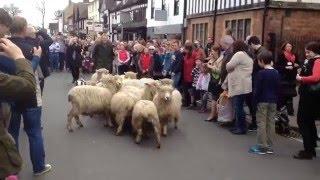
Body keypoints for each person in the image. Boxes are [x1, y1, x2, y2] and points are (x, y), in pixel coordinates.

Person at [249, 51, 280, 155]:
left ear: (261, 61)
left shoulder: (261, 73)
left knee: (261, 123)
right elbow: (278, 88)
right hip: (273, 101)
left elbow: (257, 89)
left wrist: (254, 102)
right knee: (271, 123)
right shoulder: (276, 73)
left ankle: (262, 146)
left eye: (258, 61)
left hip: (262, 100)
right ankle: (270, 146)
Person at [294, 42, 320, 160]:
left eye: (309, 52)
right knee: (308, 121)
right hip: (308, 95)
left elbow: (316, 77)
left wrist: (301, 78)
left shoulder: (318, 61)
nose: (306, 54)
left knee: (302, 121)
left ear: (315, 51)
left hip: (310, 96)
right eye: (306, 52)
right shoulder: (311, 61)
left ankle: (308, 150)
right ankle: (311, 148)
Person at [226, 41, 253, 135]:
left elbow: (229, 66)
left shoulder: (239, 54)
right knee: (239, 106)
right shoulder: (247, 55)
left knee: (238, 107)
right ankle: (239, 126)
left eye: (233, 46)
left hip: (239, 85)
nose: (232, 48)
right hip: (245, 85)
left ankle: (241, 128)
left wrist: (230, 68)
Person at [245, 36, 269, 131]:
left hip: (258, 81)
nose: (250, 48)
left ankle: (255, 123)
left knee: (254, 102)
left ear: (252, 44)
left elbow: (259, 68)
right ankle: (255, 122)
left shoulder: (261, 53)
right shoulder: (262, 51)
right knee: (252, 102)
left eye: (250, 45)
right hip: (257, 81)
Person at [275, 42, 298, 116]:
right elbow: (277, 66)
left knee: (290, 94)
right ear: (284, 47)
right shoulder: (281, 55)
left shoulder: (294, 55)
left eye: (290, 46)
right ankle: (281, 108)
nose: (289, 48)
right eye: (287, 46)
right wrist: (285, 67)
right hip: (284, 77)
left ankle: (290, 111)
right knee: (283, 94)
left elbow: (298, 63)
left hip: (292, 77)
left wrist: (295, 65)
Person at [206, 45, 224, 121]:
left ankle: (213, 115)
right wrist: (208, 65)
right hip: (213, 80)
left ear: (217, 51)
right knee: (214, 97)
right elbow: (208, 70)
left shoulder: (221, 59)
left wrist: (211, 67)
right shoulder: (212, 59)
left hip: (218, 81)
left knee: (216, 98)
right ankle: (214, 115)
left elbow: (220, 71)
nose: (211, 52)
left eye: (212, 51)